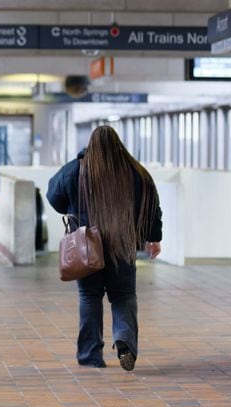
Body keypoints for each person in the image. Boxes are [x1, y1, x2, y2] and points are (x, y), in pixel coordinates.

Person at [46, 125, 162, 371]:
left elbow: (53, 195)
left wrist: (74, 207)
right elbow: (152, 204)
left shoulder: (77, 169)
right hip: (123, 244)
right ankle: (124, 341)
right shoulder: (135, 171)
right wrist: (153, 238)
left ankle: (90, 355)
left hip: (88, 245)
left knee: (89, 296)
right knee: (124, 296)